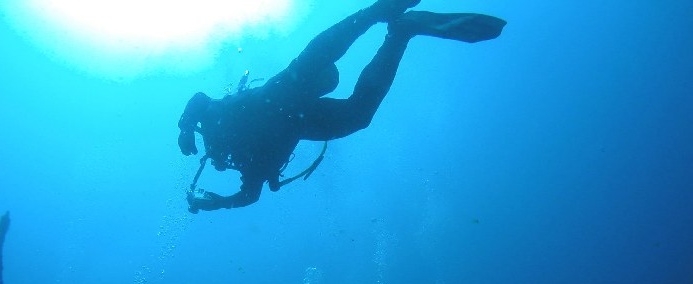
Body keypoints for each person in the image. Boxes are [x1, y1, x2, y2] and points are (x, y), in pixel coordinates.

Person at [178, 0, 506, 211]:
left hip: (273, 99)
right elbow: (250, 196)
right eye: (221, 164)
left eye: (217, 160)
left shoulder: (217, 125)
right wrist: (218, 203)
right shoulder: (251, 166)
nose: (220, 164)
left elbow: (199, 99)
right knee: (357, 115)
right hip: (300, 119)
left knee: (312, 61)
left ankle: (378, 12)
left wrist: (185, 128)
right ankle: (401, 33)